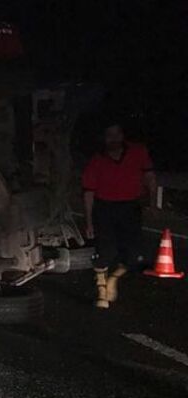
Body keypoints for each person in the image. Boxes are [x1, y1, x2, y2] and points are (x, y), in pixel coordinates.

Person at [82, 122, 157, 309]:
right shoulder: (96, 160)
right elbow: (88, 193)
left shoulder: (138, 152)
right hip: (105, 208)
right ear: (104, 138)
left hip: (130, 208)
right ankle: (101, 289)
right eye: (109, 135)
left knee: (133, 254)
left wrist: (154, 203)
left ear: (122, 135)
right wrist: (89, 222)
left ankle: (113, 278)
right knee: (105, 250)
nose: (113, 139)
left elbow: (150, 178)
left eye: (117, 135)